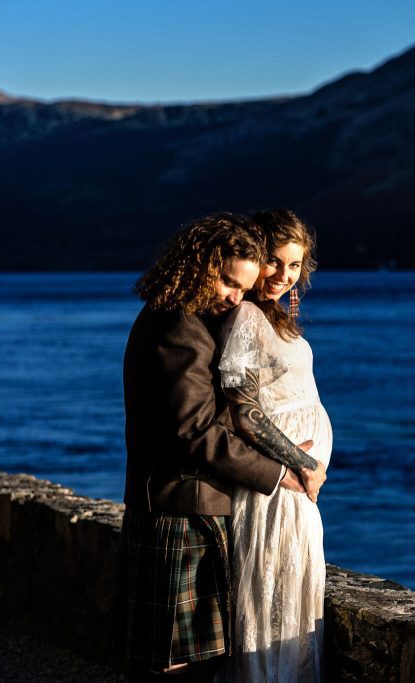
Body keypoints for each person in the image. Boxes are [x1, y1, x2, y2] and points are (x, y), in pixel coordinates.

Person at [112, 212, 325, 681]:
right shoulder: (178, 325)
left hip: (189, 505)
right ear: (200, 265)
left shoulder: (184, 317)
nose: (234, 298)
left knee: (187, 660)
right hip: (177, 508)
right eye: (228, 282)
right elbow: (194, 431)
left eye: (242, 289)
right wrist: (280, 473)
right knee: (172, 663)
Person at [217, 208, 332, 681]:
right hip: (276, 491)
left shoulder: (273, 317)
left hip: (295, 492)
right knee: (270, 608)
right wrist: (304, 464)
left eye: (294, 265)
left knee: (293, 605)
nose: (284, 276)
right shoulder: (246, 315)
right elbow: (243, 412)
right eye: (274, 261)